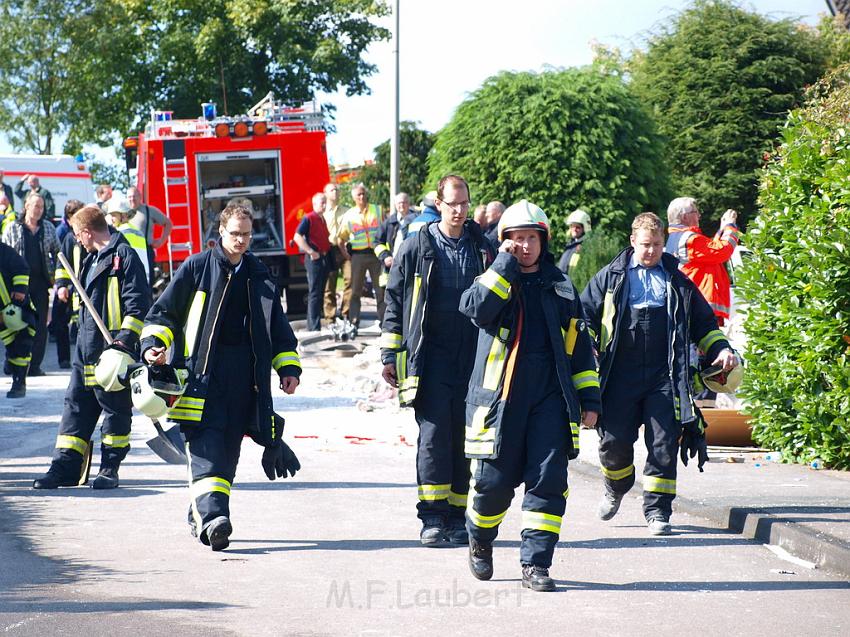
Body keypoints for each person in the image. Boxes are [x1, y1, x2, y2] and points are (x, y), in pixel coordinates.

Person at [140, 203, 302, 551]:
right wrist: (155, 344)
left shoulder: (259, 274)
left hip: (246, 380)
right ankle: (214, 518)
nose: (241, 241)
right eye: (234, 234)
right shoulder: (198, 267)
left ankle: (202, 513)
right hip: (202, 377)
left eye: (246, 234)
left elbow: (278, 328)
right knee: (206, 448)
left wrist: (287, 368)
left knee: (228, 454)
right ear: (220, 233)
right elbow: (164, 312)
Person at [460, 200, 601, 592]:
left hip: (549, 401)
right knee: (493, 485)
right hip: (501, 404)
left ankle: (536, 564)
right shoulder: (494, 278)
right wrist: (502, 266)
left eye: (531, 238)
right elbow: (475, 309)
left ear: (543, 241)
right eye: (516, 239)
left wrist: (590, 400)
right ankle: (480, 538)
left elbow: (580, 349)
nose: (524, 246)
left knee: (548, 480)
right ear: (505, 242)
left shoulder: (560, 285)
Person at [580, 212, 739, 535]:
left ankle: (657, 510)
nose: (650, 251)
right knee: (614, 443)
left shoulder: (677, 280)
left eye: (655, 245)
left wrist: (722, 349)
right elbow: (583, 315)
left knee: (665, 443)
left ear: (663, 243)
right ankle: (617, 484)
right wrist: (589, 345)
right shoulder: (611, 276)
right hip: (619, 374)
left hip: (664, 375)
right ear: (632, 242)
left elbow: (704, 323)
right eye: (644, 245)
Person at [381, 174, 496, 547]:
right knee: (433, 437)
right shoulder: (417, 246)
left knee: (466, 439)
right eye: (453, 204)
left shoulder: (483, 246)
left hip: (474, 356)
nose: (460, 210)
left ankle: (456, 516)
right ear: (438, 204)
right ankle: (431, 517)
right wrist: (390, 354)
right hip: (430, 356)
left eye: (465, 203)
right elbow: (395, 303)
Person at [33, 205, 151, 490]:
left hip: (112, 353)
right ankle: (64, 468)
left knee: (114, 412)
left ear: (87, 232)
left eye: (78, 235)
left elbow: (138, 307)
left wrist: (123, 344)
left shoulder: (124, 257)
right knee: (74, 410)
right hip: (85, 351)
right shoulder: (90, 258)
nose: (77, 240)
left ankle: (110, 468)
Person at [2, 193, 60, 376]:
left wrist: (59, 281)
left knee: (40, 325)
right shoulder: (13, 228)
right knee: (15, 323)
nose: (39, 210)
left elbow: (59, 255)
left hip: (41, 285)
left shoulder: (49, 228)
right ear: (26, 206)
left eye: (41, 207)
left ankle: (34, 366)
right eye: (35, 206)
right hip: (18, 285)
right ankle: (13, 363)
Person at [665, 197, 740, 325]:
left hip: (692, 305)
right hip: (702, 308)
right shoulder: (691, 239)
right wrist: (730, 227)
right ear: (684, 217)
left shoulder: (677, 238)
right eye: (695, 212)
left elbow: (710, 252)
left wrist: (721, 230)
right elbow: (722, 252)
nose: (699, 216)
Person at [337, 183, 385, 327]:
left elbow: (386, 230)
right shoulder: (349, 215)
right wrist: (347, 256)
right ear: (354, 198)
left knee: (380, 289)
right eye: (359, 194)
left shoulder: (377, 210)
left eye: (363, 193)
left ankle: (384, 320)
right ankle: (354, 320)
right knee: (355, 290)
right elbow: (341, 239)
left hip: (376, 255)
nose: (362, 197)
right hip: (358, 255)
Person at [50, 199, 85, 368]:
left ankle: (85, 360)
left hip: (87, 290)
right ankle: (63, 359)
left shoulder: (91, 235)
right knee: (59, 322)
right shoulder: (70, 239)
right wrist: (62, 285)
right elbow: (61, 264)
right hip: (71, 289)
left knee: (84, 327)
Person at [0, 242, 36, 398]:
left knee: (20, 344)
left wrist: (20, 289)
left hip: (12, 308)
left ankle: (19, 382)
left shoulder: (4, 251)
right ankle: (10, 362)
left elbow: (21, 267)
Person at [293, 192, 332, 331]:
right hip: (314, 259)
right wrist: (310, 251)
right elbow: (297, 236)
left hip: (323, 257)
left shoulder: (322, 219)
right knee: (314, 293)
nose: (324, 204)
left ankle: (316, 325)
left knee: (320, 292)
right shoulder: (308, 218)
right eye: (321, 202)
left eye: (325, 202)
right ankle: (313, 327)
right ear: (314, 204)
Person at [127, 186, 173, 283]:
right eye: (130, 197)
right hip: (128, 252)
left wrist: (161, 241)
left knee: (147, 282)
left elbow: (168, 223)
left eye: (134, 196)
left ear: (140, 197)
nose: (132, 199)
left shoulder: (149, 211)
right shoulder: (123, 213)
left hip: (146, 251)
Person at [374, 192, 416, 288]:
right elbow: (377, 242)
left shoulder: (417, 219)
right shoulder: (389, 222)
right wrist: (385, 256)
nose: (402, 205)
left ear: (409, 203)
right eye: (399, 203)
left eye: (404, 202)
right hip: (393, 266)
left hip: (412, 265)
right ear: (395, 205)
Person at [105, 195, 150, 280]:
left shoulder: (118, 233)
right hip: (142, 279)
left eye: (114, 215)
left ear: (123, 215)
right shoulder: (138, 232)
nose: (111, 219)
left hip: (127, 279)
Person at [557, 209, 591, 277]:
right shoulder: (570, 245)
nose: (574, 229)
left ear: (584, 229)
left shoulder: (586, 246)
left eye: (578, 227)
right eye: (572, 226)